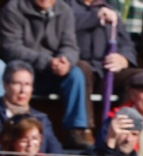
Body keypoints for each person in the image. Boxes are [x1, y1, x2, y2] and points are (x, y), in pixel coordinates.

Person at [0, 0, 95, 147]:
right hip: (23, 67)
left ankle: (77, 129)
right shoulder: (14, 8)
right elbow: (10, 47)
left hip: (52, 72)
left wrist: (66, 60)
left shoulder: (64, 10)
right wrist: (48, 61)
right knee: (12, 71)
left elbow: (70, 45)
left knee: (76, 73)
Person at [71, 0, 139, 103]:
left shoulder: (109, 8)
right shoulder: (63, 5)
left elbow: (127, 43)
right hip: (76, 68)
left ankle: (125, 118)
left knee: (138, 78)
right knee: (81, 69)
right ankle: (86, 120)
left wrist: (124, 59)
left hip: (105, 70)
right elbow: (63, 24)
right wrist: (94, 16)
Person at [0, 61, 67, 156]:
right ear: (5, 85)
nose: (23, 90)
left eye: (27, 84)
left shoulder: (41, 118)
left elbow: (57, 155)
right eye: (17, 83)